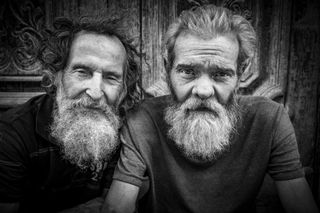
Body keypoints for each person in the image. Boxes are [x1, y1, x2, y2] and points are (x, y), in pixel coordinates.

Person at [103, 4, 319, 213]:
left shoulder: (270, 119)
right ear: (168, 67)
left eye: (221, 74)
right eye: (188, 71)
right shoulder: (142, 119)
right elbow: (117, 206)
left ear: (242, 72)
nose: (204, 90)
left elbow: (299, 204)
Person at [0, 16, 143, 213]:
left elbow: (113, 207)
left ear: (124, 90)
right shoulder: (11, 134)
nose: (95, 92)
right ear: (55, 77)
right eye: (82, 72)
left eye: (111, 77)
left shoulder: (129, 130)